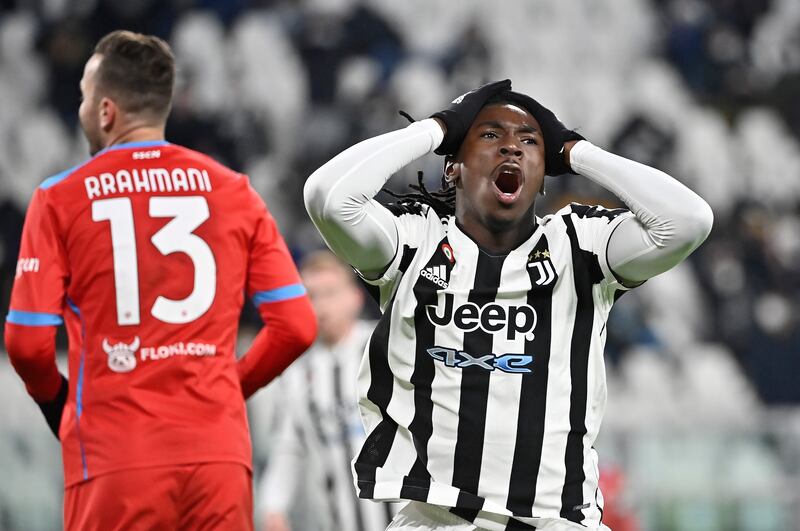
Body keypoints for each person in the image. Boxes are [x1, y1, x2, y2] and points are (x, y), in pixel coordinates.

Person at [304, 80, 713, 530]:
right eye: (490, 135)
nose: (512, 149)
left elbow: (688, 221)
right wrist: (438, 129)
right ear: (453, 168)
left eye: (530, 141)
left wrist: (575, 150)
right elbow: (327, 198)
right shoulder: (414, 240)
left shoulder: (580, 244)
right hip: (437, 518)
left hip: (558, 520)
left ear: (543, 174)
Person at [4, 30, 317, 530]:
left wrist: (60, 406)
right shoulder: (233, 190)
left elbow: (26, 344)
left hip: (115, 457)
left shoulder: (59, 199)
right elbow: (297, 325)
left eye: (86, 97)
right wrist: (229, 388)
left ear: (106, 111)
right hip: (218, 456)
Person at [259, 250, 396, 531]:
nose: (321, 305)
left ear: (355, 298)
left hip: (399, 517)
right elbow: (287, 448)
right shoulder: (296, 374)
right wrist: (273, 506)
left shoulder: (386, 347)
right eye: (311, 295)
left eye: (330, 293)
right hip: (336, 521)